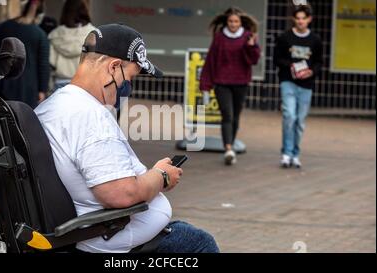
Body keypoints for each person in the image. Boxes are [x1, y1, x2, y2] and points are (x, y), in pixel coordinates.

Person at [35, 24, 219, 253]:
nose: (127, 87)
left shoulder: (52, 105)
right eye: (130, 77)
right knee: (199, 244)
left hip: (89, 231)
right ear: (113, 67)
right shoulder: (89, 116)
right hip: (109, 239)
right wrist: (161, 176)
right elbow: (122, 194)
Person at [199, 7, 261, 165]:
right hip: (222, 83)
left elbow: (253, 60)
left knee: (235, 116)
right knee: (227, 115)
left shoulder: (248, 36)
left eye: (236, 21)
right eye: (231, 21)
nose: (233, 24)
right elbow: (210, 61)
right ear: (226, 22)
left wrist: (252, 45)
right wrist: (205, 86)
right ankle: (228, 149)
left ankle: (230, 146)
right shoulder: (220, 37)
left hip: (241, 83)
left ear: (241, 23)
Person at [274, 5, 322, 168]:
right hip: (288, 81)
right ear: (294, 19)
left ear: (309, 19)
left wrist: (311, 72)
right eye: (298, 18)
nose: (301, 21)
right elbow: (276, 59)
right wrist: (291, 65)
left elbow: (319, 62)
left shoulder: (315, 40)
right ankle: (286, 153)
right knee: (289, 116)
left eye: (304, 18)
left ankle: (295, 153)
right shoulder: (285, 37)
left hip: (306, 85)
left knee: (300, 121)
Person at [0, 0, 50, 108]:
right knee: (22, 122)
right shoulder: (40, 35)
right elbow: (43, 64)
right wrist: (42, 89)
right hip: (27, 89)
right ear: (39, 14)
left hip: (0, 85)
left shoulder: (3, 27)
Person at [48, 0, 96, 90]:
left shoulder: (55, 34)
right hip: (84, 82)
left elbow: (51, 62)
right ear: (85, 11)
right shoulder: (93, 34)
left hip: (60, 83)